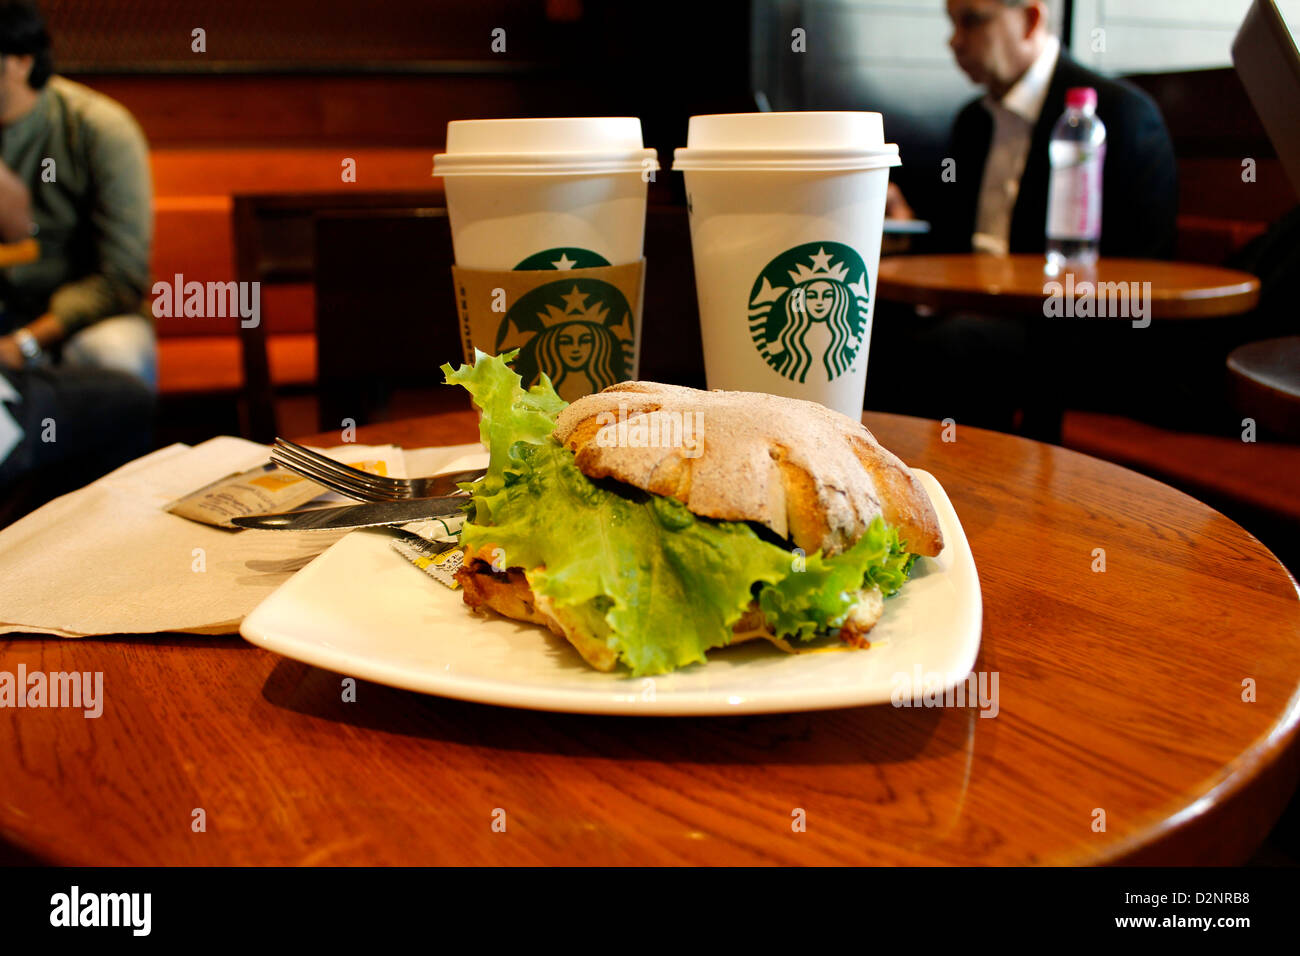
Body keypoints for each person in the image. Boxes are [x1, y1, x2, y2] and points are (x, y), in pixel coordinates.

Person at [892, 0, 1178, 259]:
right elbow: (952, 238)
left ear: (1030, 20)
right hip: (967, 302)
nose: (954, 41)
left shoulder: (1120, 116)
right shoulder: (972, 120)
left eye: (971, 20)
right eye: (952, 24)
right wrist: (903, 225)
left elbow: (1142, 268)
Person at [0, 0, 156, 390]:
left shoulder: (99, 128)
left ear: (21, 61)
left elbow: (122, 277)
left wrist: (27, 341)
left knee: (118, 356)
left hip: (78, 321)